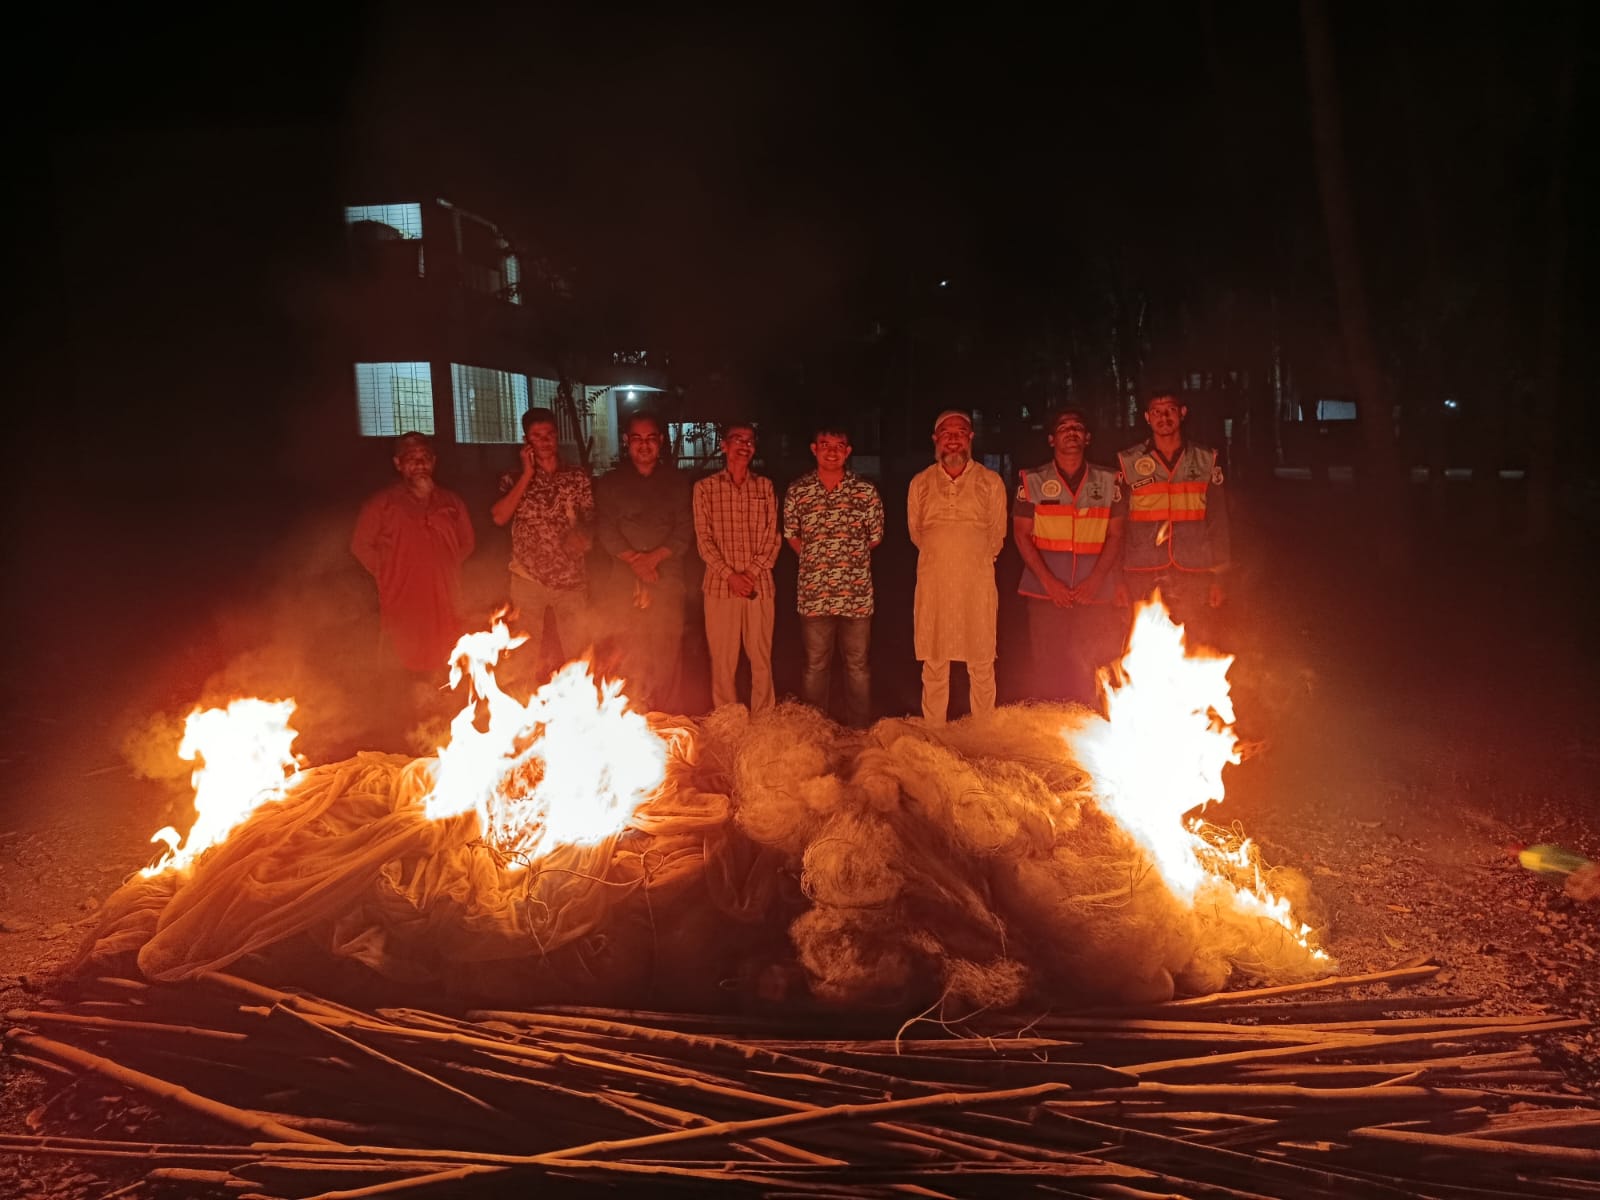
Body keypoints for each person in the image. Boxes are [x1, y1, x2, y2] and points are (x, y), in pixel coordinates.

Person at [1013, 408, 1128, 705]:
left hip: (1095, 592)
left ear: (1087, 438)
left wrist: (1097, 580)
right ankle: (1050, 732)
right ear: (1052, 439)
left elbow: (1116, 534)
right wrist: (1049, 583)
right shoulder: (1031, 481)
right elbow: (1021, 535)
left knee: (1094, 666)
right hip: (1044, 592)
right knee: (1047, 666)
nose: (1072, 432)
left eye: (1078, 427)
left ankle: (1092, 731)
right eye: (1064, 427)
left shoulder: (1109, 481)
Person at [906, 410, 1008, 724]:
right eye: (946, 432)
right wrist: (945, 553)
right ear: (936, 439)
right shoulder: (921, 482)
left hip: (975, 582)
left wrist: (969, 556)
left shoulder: (990, 482)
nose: (953, 438)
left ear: (970, 438)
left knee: (980, 661)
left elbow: (997, 534)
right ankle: (936, 731)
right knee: (934, 661)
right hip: (935, 581)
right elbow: (917, 532)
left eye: (960, 431)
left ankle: (984, 730)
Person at [351, 431, 477, 678]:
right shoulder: (382, 503)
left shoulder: (450, 501)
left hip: (445, 600)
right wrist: (389, 571)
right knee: (400, 671)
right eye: (411, 458)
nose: (420, 464)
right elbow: (360, 545)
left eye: (425, 457)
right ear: (398, 463)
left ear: (434, 461)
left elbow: (467, 543)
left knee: (446, 663)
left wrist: (443, 567)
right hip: (402, 601)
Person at [782, 424, 885, 727]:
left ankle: (859, 729)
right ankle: (816, 728)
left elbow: (875, 537)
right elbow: (792, 536)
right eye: (825, 444)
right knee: (815, 665)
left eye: (839, 445)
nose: (832, 451)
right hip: (814, 595)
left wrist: (845, 559)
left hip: (856, 595)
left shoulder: (865, 491)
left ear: (848, 452)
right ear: (814, 449)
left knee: (858, 666)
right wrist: (819, 559)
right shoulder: (799, 491)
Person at [592, 411, 693, 712]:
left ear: (661, 441)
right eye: (637, 439)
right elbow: (605, 528)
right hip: (622, 580)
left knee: (666, 649)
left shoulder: (676, 483)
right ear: (627, 441)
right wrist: (636, 561)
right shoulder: (610, 483)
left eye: (651, 439)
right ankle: (628, 716)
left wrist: (653, 560)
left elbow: (685, 529)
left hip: (667, 579)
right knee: (625, 647)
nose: (644, 445)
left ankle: (667, 718)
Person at [489, 408, 594, 685]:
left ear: (557, 436)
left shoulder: (576, 476)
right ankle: (522, 712)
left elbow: (592, 520)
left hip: (570, 579)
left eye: (549, 434)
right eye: (538, 436)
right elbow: (499, 516)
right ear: (527, 440)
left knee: (579, 652)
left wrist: (582, 536)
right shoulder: (512, 478)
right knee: (524, 652)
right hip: (527, 578)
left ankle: (583, 711)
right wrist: (527, 473)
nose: (545, 441)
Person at [1115, 391, 1231, 635]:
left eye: (1170, 410)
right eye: (1156, 412)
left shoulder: (1205, 459)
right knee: (1144, 644)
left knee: (1196, 641)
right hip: (1142, 570)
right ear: (1147, 417)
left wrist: (1219, 577)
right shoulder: (1128, 462)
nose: (1163, 417)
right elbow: (1116, 526)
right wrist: (1116, 579)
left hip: (1194, 569)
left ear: (1182, 413)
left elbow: (1218, 521)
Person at [693, 422, 781, 713]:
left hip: (759, 587)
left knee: (761, 658)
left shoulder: (764, 487)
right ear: (724, 445)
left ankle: (764, 721)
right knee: (722, 660)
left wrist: (751, 574)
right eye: (737, 439)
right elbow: (703, 540)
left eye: (750, 441)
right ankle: (728, 723)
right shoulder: (705, 489)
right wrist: (731, 575)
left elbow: (773, 537)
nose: (744, 445)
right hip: (720, 588)